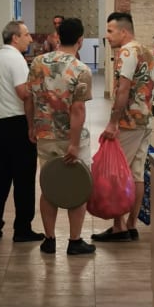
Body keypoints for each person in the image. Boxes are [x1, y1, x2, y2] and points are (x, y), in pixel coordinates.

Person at [27, 17, 95, 255]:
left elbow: (29, 98)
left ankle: (49, 240)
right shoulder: (81, 69)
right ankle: (74, 241)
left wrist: (31, 126)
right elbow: (78, 110)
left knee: (49, 185)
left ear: (58, 37)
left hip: (45, 134)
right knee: (77, 187)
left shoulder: (38, 63)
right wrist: (74, 144)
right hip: (70, 137)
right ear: (80, 40)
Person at [91, 11, 154, 242]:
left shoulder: (127, 52)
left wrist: (112, 122)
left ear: (124, 31)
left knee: (119, 173)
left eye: (110, 31)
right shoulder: (146, 50)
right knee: (136, 173)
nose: (107, 36)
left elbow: (123, 89)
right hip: (145, 119)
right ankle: (131, 225)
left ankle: (119, 227)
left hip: (128, 122)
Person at [0, 20, 43, 242]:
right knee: (24, 179)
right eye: (26, 34)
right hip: (17, 124)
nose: (30, 38)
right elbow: (23, 93)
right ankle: (22, 228)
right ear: (15, 38)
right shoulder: (16, 59)